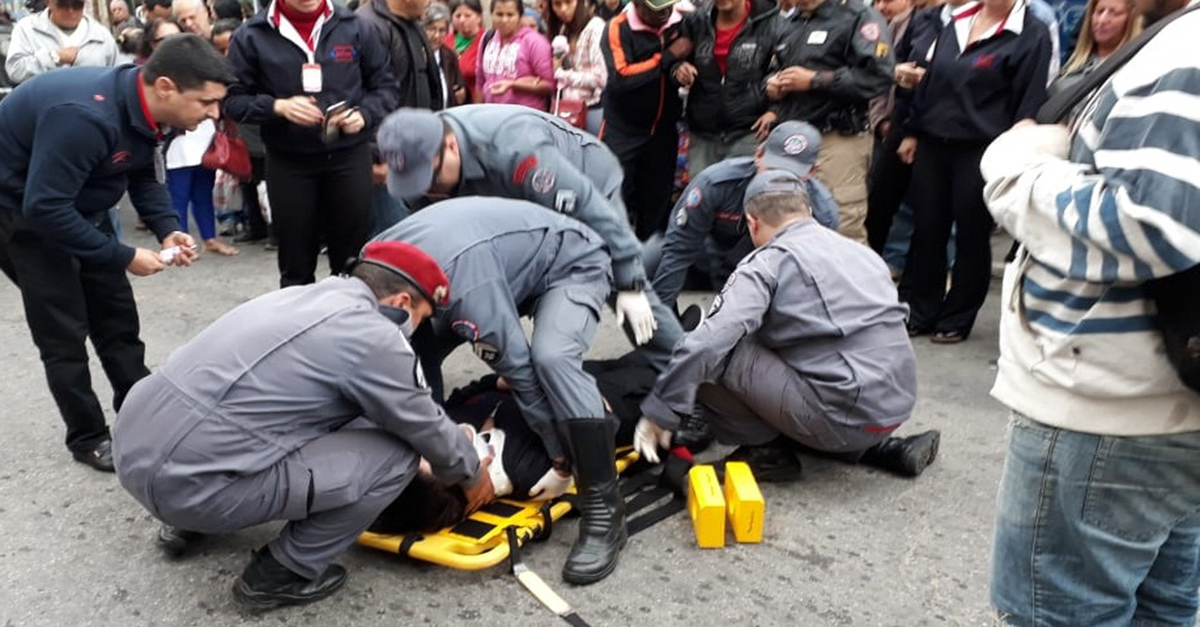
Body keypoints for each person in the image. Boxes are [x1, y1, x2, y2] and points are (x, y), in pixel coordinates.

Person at [113, 241, 493, 610]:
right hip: (192, 489)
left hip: (132, 452)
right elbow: (424, 427)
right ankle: (282, 572)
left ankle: (187, 522)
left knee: (271, 409)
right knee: (399, 456)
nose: (417, 327)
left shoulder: (294, 298)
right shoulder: (375, 336)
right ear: (402, 303)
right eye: (423, 317)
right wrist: (471, 475)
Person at [980, 0, 1200, 620]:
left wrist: (1015, 167)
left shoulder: (1186, 54)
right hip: (1154, 407)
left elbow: (1155, 223)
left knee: (1059, 611)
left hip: (1112, 409)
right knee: (1162, 609)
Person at [0, 34, 230, 472]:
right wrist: (123, 255)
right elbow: (45, 208)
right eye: (206, 102)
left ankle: (141, 416)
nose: (213, 114)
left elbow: (142, 173)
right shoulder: (86, 117)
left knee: (117, 317)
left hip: (78, 202)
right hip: (22, 212)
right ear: (166, 86)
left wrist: (168, 229)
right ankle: (87, 436)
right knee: (63, 330)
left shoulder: (147, 111)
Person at [376, 197, 628, 586]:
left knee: (551, 359)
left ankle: (605, 511)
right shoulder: (372, 271)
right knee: (410, 356)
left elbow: (521, 372)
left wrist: (560, 451)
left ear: (401, 301)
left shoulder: (464, 292)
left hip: (572, 260)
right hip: (487, 261)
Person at [635, 170, 941, 482]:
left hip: (843, 419)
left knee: (709, 343)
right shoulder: (861, 253)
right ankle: (880, 447)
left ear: (752, 223)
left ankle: (766, 454)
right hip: (893, 407)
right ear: (807, 212)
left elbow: (707, 344)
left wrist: (660, 411)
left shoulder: (766, 264)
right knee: (774, 343)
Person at [377, 104, 684, 373]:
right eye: (415, 184)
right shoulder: (418, 154)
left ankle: (691, 377)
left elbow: (592, 210)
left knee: (623, 292)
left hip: (582, 188)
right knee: (439, 323)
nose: (426, 192)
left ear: (450, 147)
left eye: (430, 180)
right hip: (510, 209)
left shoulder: (514, 148)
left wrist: (629, 280)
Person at [897, 0, 1052, 343]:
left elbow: (1030, 100)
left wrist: (1017, 155)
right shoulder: (957, 20)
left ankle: (957, 316)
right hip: (934, 142)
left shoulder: (1031, 33)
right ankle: (920, 310)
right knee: (927, 229)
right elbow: (930, 83)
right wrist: (912, 129)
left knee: (971, 235)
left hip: (982, 149)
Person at [223, 0, 400, 288]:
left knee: (351, 262)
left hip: (349, 157)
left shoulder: (355, 26)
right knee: (295, 263)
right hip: (288, 162)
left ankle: (350, 325)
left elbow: (386, 87)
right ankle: (300, 327)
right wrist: (276, 107)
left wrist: (364, 114)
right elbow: (231, 100)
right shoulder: (251, 34)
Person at [372, 355, 655, 534]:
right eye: (440, 460)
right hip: (609, 401)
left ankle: (668, 340)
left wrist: (498, 382)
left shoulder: (450, 423)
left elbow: (469, 391)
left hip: (567, 376)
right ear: (473, 494)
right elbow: (588, 435)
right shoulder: (526, 472)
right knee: (659, 368)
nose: (439, 447)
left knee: (628, 359)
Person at [648, 121, 840, 312]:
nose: (775, 180)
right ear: (758, 156)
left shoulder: (822, 213)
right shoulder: (715, 184)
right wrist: (663, 327)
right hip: (710, 256)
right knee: (650, 260)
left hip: (770, 270)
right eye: (772, 170)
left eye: (790, 175)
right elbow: (679, 250)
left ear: (812, 172)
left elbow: (810, 280)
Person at [764, 0, 893, 244]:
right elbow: (773, 67)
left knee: (841, 229)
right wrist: (773, 84)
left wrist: (816, 80)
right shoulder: (791, 21)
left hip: (836, 138)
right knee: (786, 226)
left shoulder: (858, 15)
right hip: (792, 142)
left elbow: (879, 75)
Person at [599, 0, 685, 240]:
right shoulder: (618, 27)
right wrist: (666, 57)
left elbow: (687, 55)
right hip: (623, 129)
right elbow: (622, 76)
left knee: (657, 200)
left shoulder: (680, 21)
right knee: (615, 197)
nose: (664, 14)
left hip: (663, 131)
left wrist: (680, 66)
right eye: (656, 9)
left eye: (668, 6)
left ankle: (648, 261)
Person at [670, 0, 780, 176]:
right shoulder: (696, 21)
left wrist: (775, 110)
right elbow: (672, 59)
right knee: (702, 199)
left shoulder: (770, 22)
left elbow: (784, 68)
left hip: (749, 131)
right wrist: (678, 70)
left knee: (741, 200)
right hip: (702, 132)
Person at [5, 0, 119, 84]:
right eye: (63, 4)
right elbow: (15, 71)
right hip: (43, 111)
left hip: (91, 111)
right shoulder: (27, 29)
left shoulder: (101, 35)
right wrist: (54, 57)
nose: (70, 11)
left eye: (77, 5)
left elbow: (118, 77)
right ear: (48, 2)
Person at [1047, 0, 1140, 97]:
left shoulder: (1137, 73)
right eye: (1099, 11)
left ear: (1131, 19)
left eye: (1114, 13)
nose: (1102, 20)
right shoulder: (1070, 71)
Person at [475, 0, 555, 109]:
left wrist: (514, 84)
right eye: (499, 14)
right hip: (491, 116)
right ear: (491, 15)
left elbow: (549, 85)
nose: (504, 20)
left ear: (520, 16)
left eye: (510, 15)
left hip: (524, 118)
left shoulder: (535, 42)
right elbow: (480, 81)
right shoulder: (487, 39)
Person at [546, 0, 606, 134]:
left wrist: (561, 73)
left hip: (591, 109)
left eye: (568, 2)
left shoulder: (595, 28)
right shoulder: (563, 29)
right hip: (567, 109)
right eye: (557, 4)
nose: (563, 9)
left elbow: (600, 78)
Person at [425, 2, 466, 107]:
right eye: (431, 29)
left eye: (442, 30)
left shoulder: (450, 56)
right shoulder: (417, 55)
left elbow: (457, 84)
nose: (436, 35)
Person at [445, 0, 484, 101]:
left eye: (467, 15)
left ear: (479, 17)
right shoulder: (445, 41)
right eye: (458, 16)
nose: (462, 20)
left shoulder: (486, 41)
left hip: (476, 102)